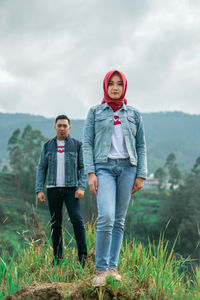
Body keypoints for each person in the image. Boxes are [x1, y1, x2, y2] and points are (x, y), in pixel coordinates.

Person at [83, 70, 147, 286]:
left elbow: (141, 146)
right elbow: (87, 143)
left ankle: (112, 268)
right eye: (111, 83)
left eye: (119, 84)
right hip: (104, 168)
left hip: (128, 169)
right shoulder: (94, 112)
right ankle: (100, 270)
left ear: (125, 87)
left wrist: (141, 175)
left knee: (119, 220)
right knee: (107, 217)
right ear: (105, 86)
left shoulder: (134, 114)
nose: (115, 87)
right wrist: (91, 172)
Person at [35, 115, 87, 266]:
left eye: (65, 126)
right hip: (53, 189)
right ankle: (57, 260)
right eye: (59, 125)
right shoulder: (47, 146)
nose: (62, 128)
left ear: (69, 127)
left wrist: (81, 187)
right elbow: (41, 168)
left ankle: (83, 259)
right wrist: (39, 189)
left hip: (72, 190)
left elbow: (83, 167)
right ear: (55, 127)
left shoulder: (77, 145)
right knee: (55, 224)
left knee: (77, 221)